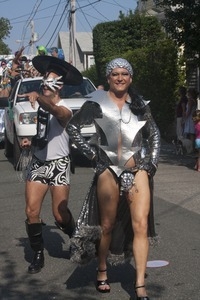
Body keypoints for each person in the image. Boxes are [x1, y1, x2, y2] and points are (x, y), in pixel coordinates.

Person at [67, 58, 160, 299]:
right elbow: (73, 128)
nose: (120, 78)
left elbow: (154, 134)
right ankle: (101, 269)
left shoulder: (140, 104)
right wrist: (93, 156)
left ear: (130, 78)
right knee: (106, 226)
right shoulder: (96, 102)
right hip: (108, 170)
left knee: (140, 225)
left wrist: (151, 163)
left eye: (124, 74)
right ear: (108, 78)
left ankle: (140, 285)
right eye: (115, 74)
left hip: (137, 169)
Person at [18, 55, 83, 274]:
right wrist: (30, 142)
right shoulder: (40, 106)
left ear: (59, 86)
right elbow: (45, 135)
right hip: (39, 163)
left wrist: (39, 97)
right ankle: (38, 254)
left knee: (59, 214)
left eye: (50, 81)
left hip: (59, 165)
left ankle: (75, 236)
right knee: (31, 211)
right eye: (44, 81)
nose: (45, 84)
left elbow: (57, 113)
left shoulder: (65, 108)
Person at [183, 88, 198, 153]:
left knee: (191, 133)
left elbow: (188, 111)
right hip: (193, 117)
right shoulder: (195, 100)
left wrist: (185, 118)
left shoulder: (190, 101)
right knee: (193, 134)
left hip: (190, 118)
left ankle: (191, 149)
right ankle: (193, 148)